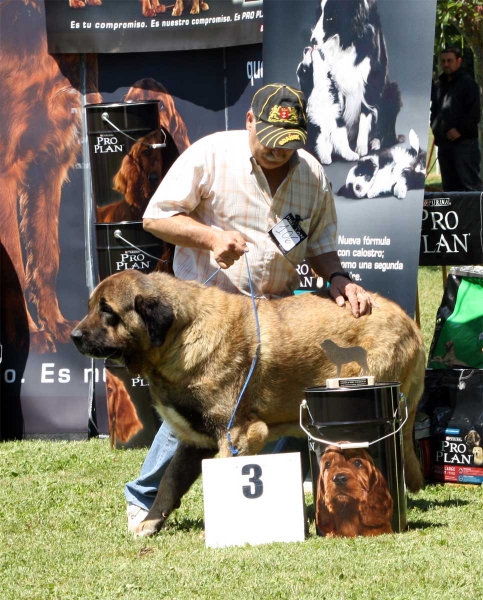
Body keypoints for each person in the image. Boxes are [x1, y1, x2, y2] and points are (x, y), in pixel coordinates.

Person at [125, 83, 374, 532]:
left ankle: (256, 509)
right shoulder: (211, 155)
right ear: (250, 123)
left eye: (290, 143)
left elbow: (320, 245)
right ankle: (145, 500)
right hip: (208, 319)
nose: (281, 153)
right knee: (198, 407)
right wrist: (211, 238)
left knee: (261, 411)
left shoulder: (312, 175)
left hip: (273, 319)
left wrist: (338, 278)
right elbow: (156, 215)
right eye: (271, 141)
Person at [430, 47, 483, 192]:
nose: (446, 64)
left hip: (465, 145)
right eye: (443, 61)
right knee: (449, 189)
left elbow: (474, 114)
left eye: (449, 61)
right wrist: (436, 129)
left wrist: (459, 130)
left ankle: (477, 215)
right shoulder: (439, 85)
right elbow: (434, 111)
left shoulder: (468, 84)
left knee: (470, 187)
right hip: (444, 145)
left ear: (459, 61)